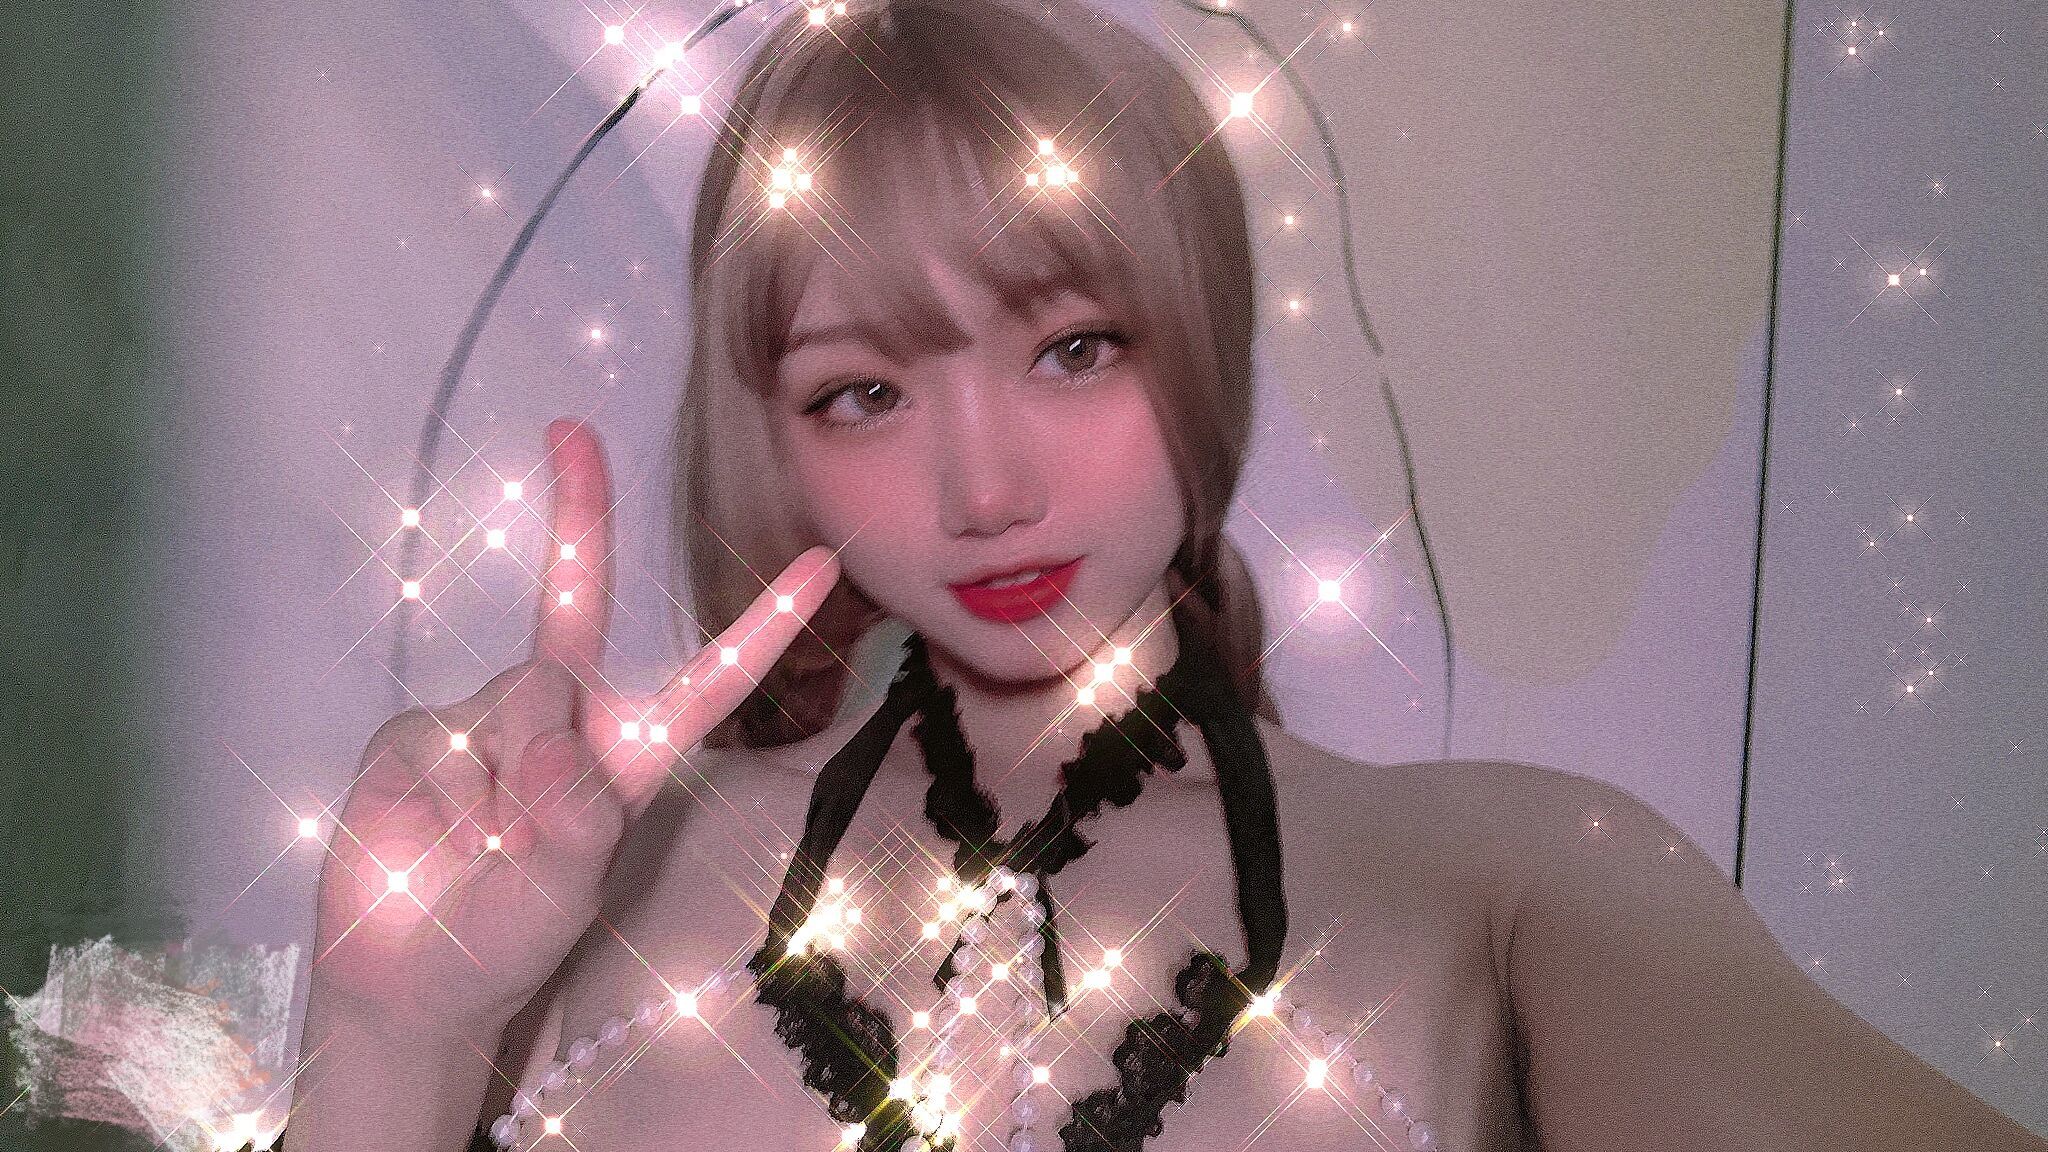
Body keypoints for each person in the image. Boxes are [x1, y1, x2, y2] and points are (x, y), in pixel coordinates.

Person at [280, 0, 2048, 1149]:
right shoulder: (583, 888)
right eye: (866, 391)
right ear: (776, 442)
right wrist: (388, 1039)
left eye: (1072, 347)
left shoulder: (1506, 884)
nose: (986, 489)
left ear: (1200, 344)